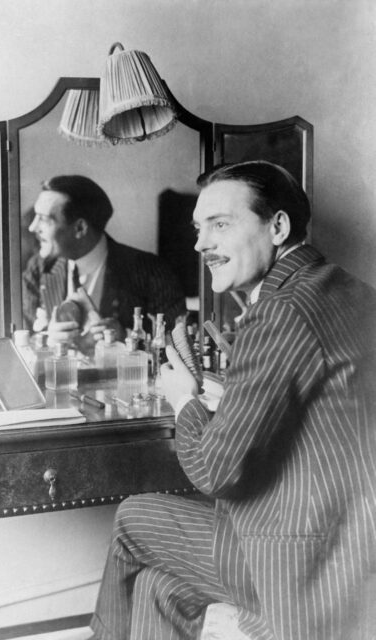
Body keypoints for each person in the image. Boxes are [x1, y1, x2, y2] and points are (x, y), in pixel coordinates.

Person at [89, 161, 376, 640]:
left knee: (132, 517)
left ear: (278, 226)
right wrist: (230, 397)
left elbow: (215, 472)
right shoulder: (349, 289)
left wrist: (185, 401)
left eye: (221, 224)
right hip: (354, 544)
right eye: (199, 228)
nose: (201, 243)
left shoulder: (280, 312)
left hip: (305, 562)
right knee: (161, 586)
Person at [22, 175, 186, 350]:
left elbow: (179, 342)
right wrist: (49, 341)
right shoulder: (37, 269)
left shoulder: (151, 271)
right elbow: (22, 336)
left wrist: (128, 336)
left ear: (80, 228)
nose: (32, 227)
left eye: (44, 219)